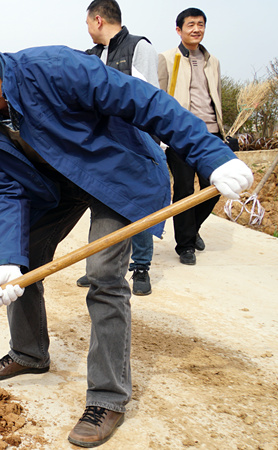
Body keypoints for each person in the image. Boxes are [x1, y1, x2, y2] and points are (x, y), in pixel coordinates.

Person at [0, 32, 252, 447]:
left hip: (113, 174)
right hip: (52, 187)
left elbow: (145, 102)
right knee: (24, 265)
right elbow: (5, 188)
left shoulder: (55, 69)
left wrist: (212, 153)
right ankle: (28, 352)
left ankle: (107, 398)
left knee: (104, 274)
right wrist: (7, 258)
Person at [76, 0, 161, 296]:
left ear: (98, 20)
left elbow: (149, 97)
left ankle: (140, 266)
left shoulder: (139, 47)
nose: (87, 30)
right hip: (103, 142)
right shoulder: (92, 56)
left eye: (87, 23)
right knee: (100, 202)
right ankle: (99, 263)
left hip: (135, 141)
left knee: (136, 206)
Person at [158, 8, 223, 266]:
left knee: (214, 187)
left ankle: (191, 228)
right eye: (191, 25)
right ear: (179, 30)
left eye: (201, 24)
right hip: (181, 135)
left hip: (211, 134)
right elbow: (159, 96)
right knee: (184, 189)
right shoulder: (166, 58)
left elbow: (214, 95)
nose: (196, 29)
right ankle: (185, 245)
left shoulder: (213, 60)